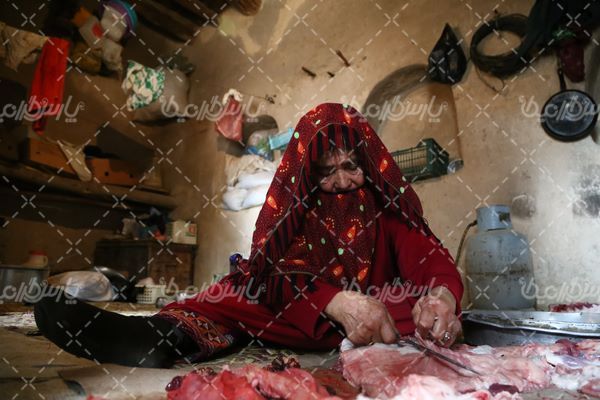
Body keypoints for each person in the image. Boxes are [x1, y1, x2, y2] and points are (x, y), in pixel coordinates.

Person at [34, 103, 463, 368]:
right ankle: (158, 338)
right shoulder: (297, 209)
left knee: (413, 307)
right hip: (304, 312)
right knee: (234, 294)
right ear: (306, 172)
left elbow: (431, 259)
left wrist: (441, 298)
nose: (342, 181)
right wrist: (337, 301)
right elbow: (273, 270)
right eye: (326, 171)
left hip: (376, 320)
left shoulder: (386, 210)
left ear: (367, 162)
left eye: (351, 166)